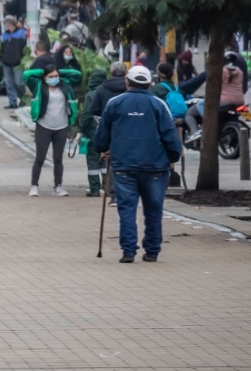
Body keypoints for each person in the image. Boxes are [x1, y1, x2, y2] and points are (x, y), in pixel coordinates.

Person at [93, 66, 183, 263]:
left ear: (127, 82)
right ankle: (152, 251)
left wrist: (103, 147)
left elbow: (102, 135)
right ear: (150, 83)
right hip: (155, 167)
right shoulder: (158, 104)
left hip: (124, 165)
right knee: (154, 209)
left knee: (126, 208)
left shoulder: (114, 103)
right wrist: (173, 156)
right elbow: (170, 135)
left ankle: (128, 250)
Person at [23, 63, 83, 197]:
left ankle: (58, 186)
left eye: (56, 76)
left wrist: (60, 71)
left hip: (61, 126)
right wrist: (42, 71)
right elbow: (26, 75)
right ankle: (34, 186)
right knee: (40, 158)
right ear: (44, 77)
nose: (54, 78)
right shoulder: (38, 85)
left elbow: (77, 74)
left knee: (58, 158)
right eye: (51, 76)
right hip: (44, 126)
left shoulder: (65, 84)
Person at [78, 69, 109, 198]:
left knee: (92, 160)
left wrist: (81, 130)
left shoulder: (91, 95)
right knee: (105, 160)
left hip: (93, 130)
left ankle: (94, 189)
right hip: (107, 130)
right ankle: (107, 187)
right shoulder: (109, 92)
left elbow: (86, 114)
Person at [0, 17, 28, 108]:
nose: (6, 25)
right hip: (6, 62)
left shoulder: (22, 33)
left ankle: (23, 99)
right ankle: (12, 102)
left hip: (18, 63)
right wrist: (2, 58)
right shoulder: (4, 36)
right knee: (9, 83)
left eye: (7, 23)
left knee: (18, 82)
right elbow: (2, 49)